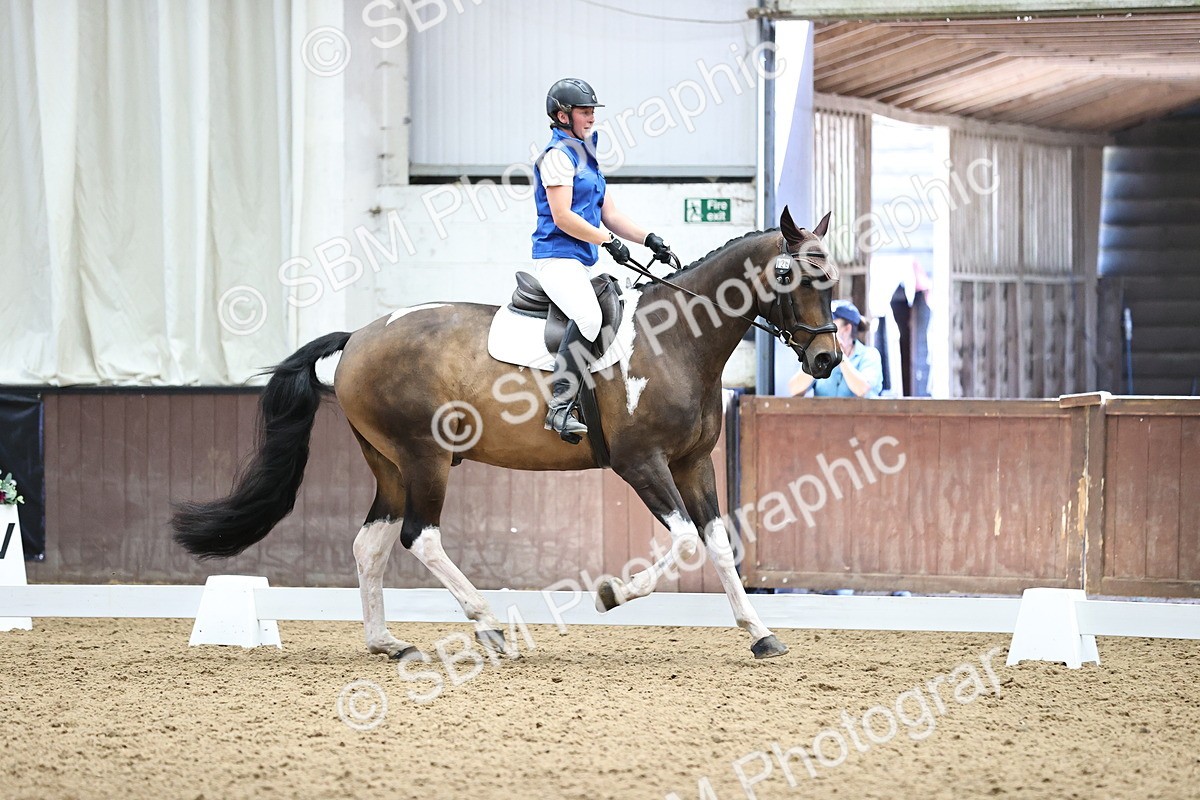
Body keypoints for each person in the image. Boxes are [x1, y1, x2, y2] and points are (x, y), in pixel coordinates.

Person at [532, 78, 677, 441]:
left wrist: (649, 239)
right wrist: (607, 242)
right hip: (556, 258)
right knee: (589, 316)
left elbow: (609, 215)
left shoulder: (586, 155)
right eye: (585, 111)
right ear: (562, 116)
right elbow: (563, 216)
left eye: (593, 111)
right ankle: (560, 407)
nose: (592, 117)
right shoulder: (557, 158)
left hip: (581, 261)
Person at [788, 300, 884, 398]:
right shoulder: (819, 355)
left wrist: (840, 357)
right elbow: (794, 390)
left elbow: (863, 390)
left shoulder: (869, 355)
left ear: (847, 329)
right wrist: (816, 361)